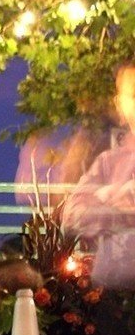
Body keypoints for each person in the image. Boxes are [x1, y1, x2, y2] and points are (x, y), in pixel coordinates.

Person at [63, 66, 135, 289]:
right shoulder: (108, 162)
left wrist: (108, 199)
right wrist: (119, 210)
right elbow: (71, 216)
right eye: (133, 94)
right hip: (113, 294)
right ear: (120, 104)